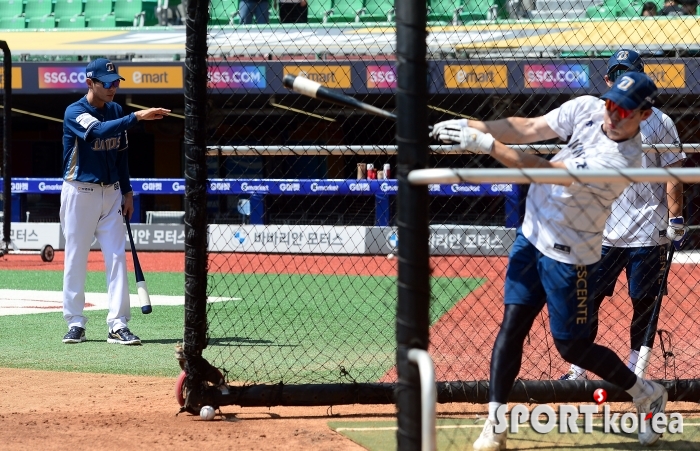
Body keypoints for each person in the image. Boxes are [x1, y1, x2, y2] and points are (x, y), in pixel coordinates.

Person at [430, 72, 668, 451]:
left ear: (643, 114)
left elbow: (542, 170)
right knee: (512, 325)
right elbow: (527, 128)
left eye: (623, 110)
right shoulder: (588, 108)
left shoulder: (621, 160)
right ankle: (495, 421)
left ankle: (646, 392)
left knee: (571, 348)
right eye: (610, 103)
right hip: (532, 234)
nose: (612, 114)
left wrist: (485, 143)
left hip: (570, 256)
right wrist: (470, 124)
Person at [561, 49, 686, 381]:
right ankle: (578, 370)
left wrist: (675, 219)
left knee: (644, 304)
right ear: (607, 80)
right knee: (586, 300)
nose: (622, 81)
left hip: (649, 229)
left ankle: (635, 373)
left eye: (629, 75)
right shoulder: (596, 119)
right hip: (604, 230)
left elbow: (673, 173)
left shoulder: (660, 122)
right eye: (617, 75)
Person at [61, 58, 170, 346]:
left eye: (116, 82)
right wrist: (138, 117)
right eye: (106, 83)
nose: (112, 88)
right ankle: (75, 322)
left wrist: (128, 191)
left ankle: (118, 324)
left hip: (111, 193)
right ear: (90, 83)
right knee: (76, 257)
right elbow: (98, 131)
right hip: (80, 191)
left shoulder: (116, 110)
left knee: (117, 257)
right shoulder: (75, 111)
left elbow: (121, 153)